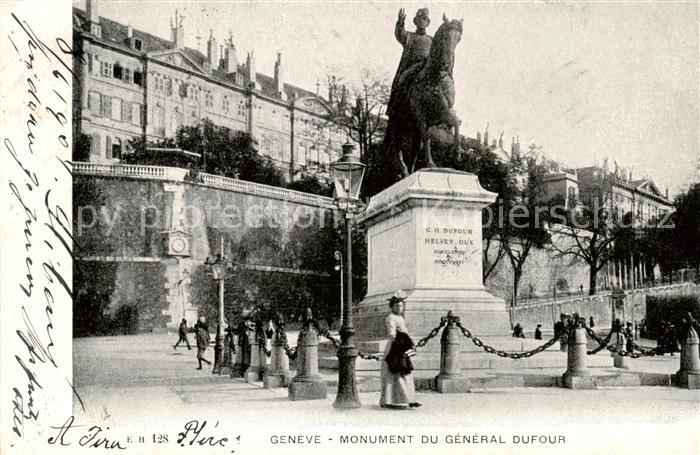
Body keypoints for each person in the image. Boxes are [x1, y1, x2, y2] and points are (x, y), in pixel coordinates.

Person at [386, 8, 433, 118]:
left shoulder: (432, 40)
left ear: (428, 23)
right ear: (415, 21)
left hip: (426, 68)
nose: (422, 21)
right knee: (401, 81)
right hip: (411, 68)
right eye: (420, 18)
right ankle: (396, 110)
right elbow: (400, 34)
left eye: (425, 19)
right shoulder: (409, 36)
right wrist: (400, 22)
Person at [380, 290, 420, 409]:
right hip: (395, 347)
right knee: (393, 373)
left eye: (401, 305)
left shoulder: (400, 318)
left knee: (404, 372)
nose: (399, 307)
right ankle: (388, 400)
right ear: (392, 306)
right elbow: (392, 334)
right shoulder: (390, 318)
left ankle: (409, 399)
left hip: (401, 346)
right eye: (397, 305)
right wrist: (402, 339)